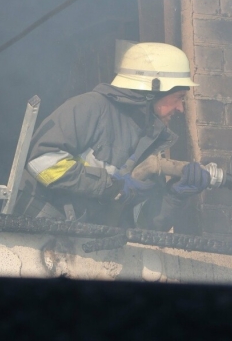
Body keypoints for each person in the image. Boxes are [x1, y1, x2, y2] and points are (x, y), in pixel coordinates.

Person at [14, 41, 210, 231]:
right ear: (153, 89)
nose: (180, 108)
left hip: (84, 247)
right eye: (179, 98)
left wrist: (174, 197)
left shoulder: (150, 141)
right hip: (39, 234)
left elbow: (142, 228)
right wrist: (112, 187)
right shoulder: (91, 108)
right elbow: (41, 161)